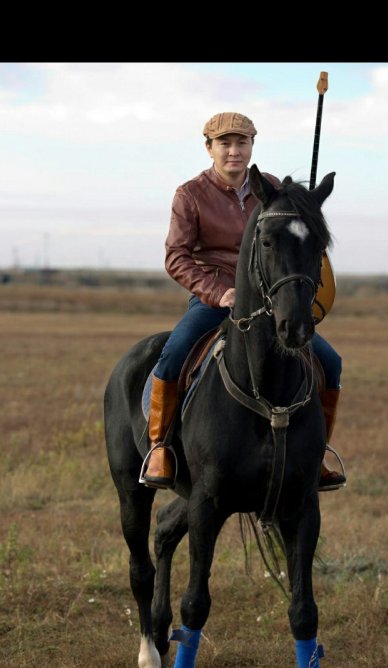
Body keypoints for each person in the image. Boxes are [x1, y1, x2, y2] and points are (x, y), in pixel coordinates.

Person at [141, 111, 346, 492]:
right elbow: (176, 257)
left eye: (242, 143)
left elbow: (298, 236)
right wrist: (218, 292)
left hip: (270, 301)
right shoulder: (190, 195)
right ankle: (160, 447)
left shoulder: (270, 189)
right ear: (209, 148)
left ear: (252, 146)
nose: (234, 151)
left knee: (330, 362)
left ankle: (317, 455)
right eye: (225, 143)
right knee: (172, 355)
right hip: (215, 297)